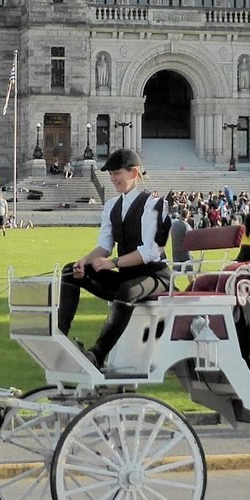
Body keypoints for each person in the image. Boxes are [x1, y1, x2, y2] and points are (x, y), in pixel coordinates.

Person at [57, 148, 171, 372]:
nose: (112, 178)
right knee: (70, 271)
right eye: (111, 174)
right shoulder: (111, 206)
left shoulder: (155, 205)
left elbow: (151, 252)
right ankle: (60, 337)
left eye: (117, 173)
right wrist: (84, 262)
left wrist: (115, 263)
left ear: (134, 173)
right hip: (128, 277)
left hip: (155, 276)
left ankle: (97, 354)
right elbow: (104, 247)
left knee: (127, 290)